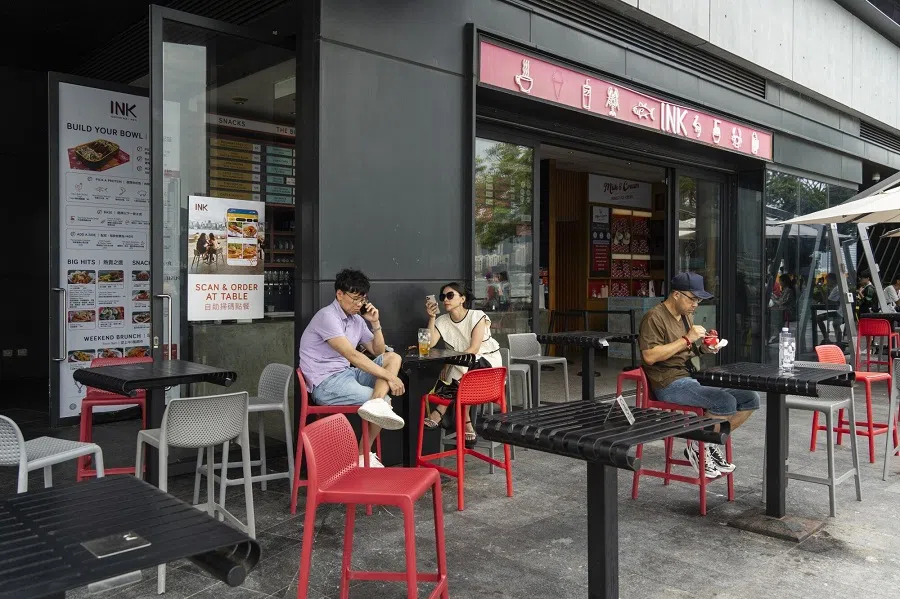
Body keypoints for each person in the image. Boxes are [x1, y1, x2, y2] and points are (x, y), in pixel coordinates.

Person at [639, 272, 759, 478]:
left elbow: (685, 352)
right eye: (692, 298)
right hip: (667, 383)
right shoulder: (654, 317)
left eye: (699, 300)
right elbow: (650, 356)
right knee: (724, 402)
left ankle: (704, 444)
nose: (696, 304)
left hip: (688, 377)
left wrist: (704, 348)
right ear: (676, 294)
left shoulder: (686, 316)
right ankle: (700, 446)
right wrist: (687, 339)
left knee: (750, 398)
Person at [298, 268, 405, 467]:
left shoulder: (357, 320)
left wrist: (375, 324)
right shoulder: (327, 316)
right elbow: (352, 355)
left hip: (347, 375)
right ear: (339, 294)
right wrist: (391, 378)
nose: (359, 304)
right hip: (326, 383)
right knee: (385, 403)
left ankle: (363, 447)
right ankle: (364, 453)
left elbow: (378, 351)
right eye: (355, 299)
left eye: (362, 300)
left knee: (393, 357)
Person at [422, 282, 501, 447]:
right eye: (443, 296)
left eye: (450, 295)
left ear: (462, 299)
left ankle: (439, 411)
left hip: (486, 366)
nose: (445, 300)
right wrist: (432, 318)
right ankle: (467, 423)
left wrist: (449, 363)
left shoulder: (476, 316)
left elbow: (473, 349)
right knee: (459, 370)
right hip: (463, 371)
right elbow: (428, 345)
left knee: (461, 366)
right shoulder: (443, 320)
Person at [815, 273, 844, 344]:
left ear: (833, 280)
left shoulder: (836, 289)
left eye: (828, 281)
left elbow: (827, 302)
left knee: (819, 318)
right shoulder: (838, 287)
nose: (827, 283)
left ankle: (826, 338)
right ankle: (838, 341)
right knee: (835, 324)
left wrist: (821, 289)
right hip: (840, 311)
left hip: (840, 313)